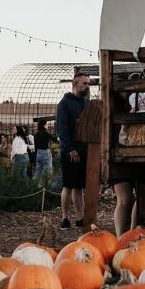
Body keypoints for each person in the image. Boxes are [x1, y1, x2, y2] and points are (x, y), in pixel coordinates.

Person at [56, 71, 89, 229]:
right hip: (70, 151)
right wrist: (70, 148)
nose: (87, 86)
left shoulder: (86, 103)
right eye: (84, 83)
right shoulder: (64, 104)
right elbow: (63, 128)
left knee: (79, 186)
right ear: (75, 84)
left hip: (83, 149)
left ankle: (80, 217)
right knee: (68, 185)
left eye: (88, 84)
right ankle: (65, 217)